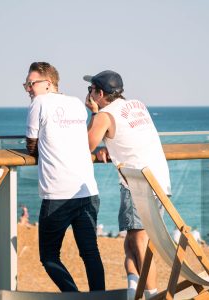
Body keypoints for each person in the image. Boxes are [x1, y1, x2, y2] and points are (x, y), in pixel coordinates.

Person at [84, 70, 171, 299]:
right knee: (133, 239)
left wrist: (93, 113)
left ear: (100, 93)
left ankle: (151, 294)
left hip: (140, 184)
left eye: (91, 90)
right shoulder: (137, 105)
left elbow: (87, 144)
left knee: (140, 241)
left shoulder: (104, 116)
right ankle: (133, 289)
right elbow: (129, 137)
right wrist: (108, 148)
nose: (89, 94)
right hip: (159, 180)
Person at [24, 62, 105, 292]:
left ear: (48, 84)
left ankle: (74, 296)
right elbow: (81, 141)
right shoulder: (76, 104)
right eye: (26, 85)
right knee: (90, 253)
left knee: (49, 256)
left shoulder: (38, 103)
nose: (28, 89)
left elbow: (32, 147)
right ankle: (98, 299)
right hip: (87, 190)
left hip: (58, 194)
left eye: (31, 84)